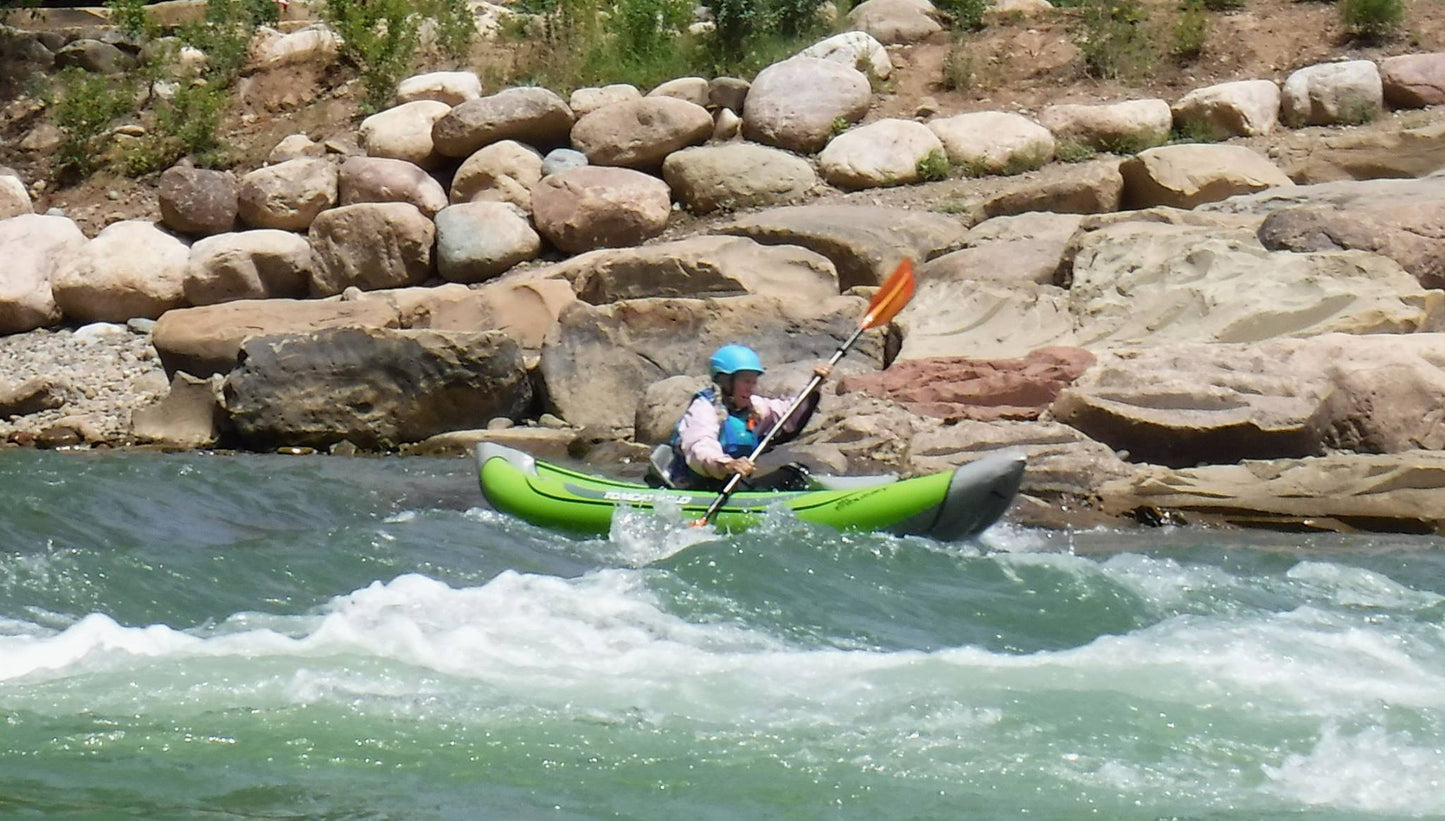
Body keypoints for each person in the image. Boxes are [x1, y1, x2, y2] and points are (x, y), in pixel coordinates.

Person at [663, 344, 831, 491]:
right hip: (695, 484)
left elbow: (788, 414)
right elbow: (700, 446)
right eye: (745, 381)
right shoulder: (705, 408)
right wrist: (728, 464)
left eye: (753, 382)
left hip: (731, 483)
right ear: (726, 382)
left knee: (794, 474)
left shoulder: (753, 407)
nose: (750, 388)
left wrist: (813, 387)